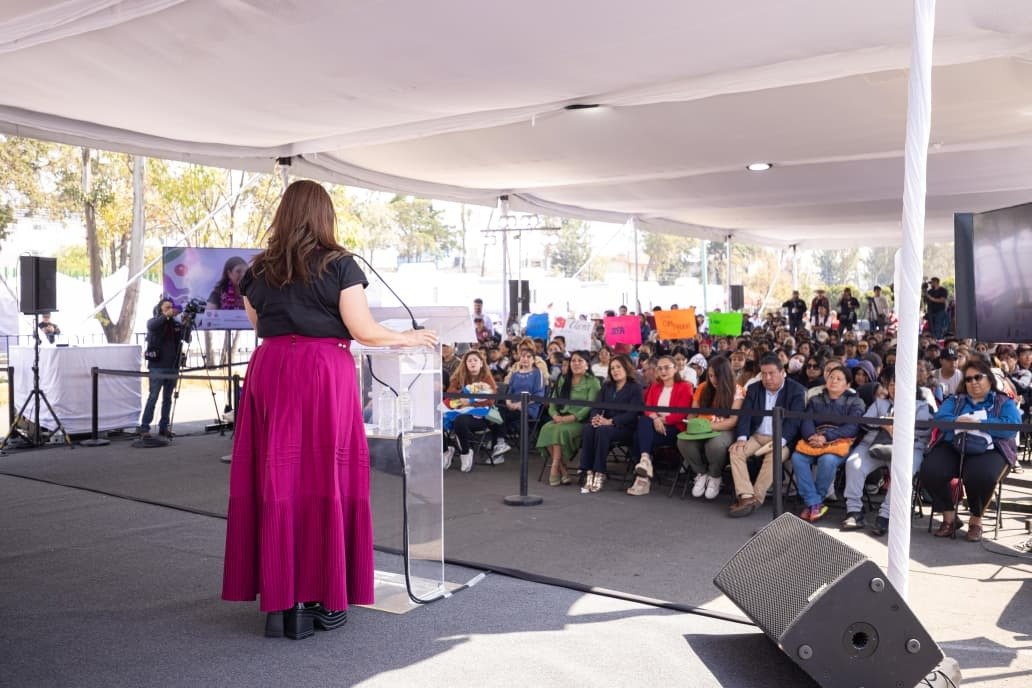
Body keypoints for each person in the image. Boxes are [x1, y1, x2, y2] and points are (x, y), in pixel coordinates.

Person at [222, 180, 436, 639]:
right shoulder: (340, 264)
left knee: (277, 477)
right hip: (322, 373)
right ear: (324, 215)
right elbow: (364, 330)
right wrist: (408, 337)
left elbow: (260, 324)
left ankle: (282, 599)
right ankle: (324, 598)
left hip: (272, 369)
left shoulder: (258, 271)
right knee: (325, 478)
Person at [919, 356, 1020, 542]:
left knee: (980, 475)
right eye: (968, 379)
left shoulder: (1003, 401)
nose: (973, 382)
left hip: (992, 449)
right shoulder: (956, 400)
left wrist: (979, 423)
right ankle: (949, 517)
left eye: (978, 377)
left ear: (989, 378)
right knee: (930, 470)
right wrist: (957, 421)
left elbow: (1011, 426)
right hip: (954, 445)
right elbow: (941, 419)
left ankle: (976, 520)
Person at [841, 371, 932, 536]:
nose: (895, 388)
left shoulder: (921, 406)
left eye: (900, 384)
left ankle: (885, 515)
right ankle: (854, 511)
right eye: (891, 384)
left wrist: (900, 428)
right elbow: (865, 423)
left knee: (902, 473)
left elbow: (925, 430)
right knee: (853, 464)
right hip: (874, 444)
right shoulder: (880, 404)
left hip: (908, 447)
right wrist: (883, 423)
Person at [728, 353, 806, 517]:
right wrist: (742, 438)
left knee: (775, 455)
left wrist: (781, 441)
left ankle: (756, 498)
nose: (767, 378)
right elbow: (745, 415)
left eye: (771, 373)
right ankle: (747, 496)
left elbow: (795, 421)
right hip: (757, 436)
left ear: (782, 372)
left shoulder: (796, 390)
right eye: (763, 374)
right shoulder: (754, 388)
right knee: (735, 451)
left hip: (782, 438)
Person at [789, 364, 866, 522]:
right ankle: (814, 503)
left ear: (848, 384)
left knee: (828, 459)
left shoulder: (855, 402)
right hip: (815, 440)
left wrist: (827, 437)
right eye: (831, 377)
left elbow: (852, 427)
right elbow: (807, 420)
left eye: (839, 379)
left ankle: (814, 503)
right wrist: (811, 435)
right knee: (798, 458)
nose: (834, 381)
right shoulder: (815, 400)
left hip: (840, 443)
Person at [626, 354, 694, 497]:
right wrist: (655, 419)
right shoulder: (655, 386)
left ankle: (643, 477)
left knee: (639, 434)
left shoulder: (685, 386)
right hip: (653, 428)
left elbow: (681, 414)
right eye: (660, 368)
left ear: (675, 369)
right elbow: (648, 407)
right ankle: (645, 462)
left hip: (674, 429)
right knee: (642, 427)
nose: (663, 371)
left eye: (667, 368)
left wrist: (659, 420)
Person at [677, 356, 744, 499]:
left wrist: (710, 426)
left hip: (724, 429)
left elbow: (732, 421)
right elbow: (693, 413)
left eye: (717, 376)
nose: (713, 379)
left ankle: (715, 476)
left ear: (725, 375)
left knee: (715, 445)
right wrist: (691, 425)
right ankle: (701, 473)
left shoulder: (737, 390)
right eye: (711, 375)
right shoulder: (702, 387)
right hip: (701, 428)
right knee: (683, 441)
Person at [536, 351, 601, 487]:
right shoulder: (563, 379)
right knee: (546, 428)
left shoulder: (592, 382)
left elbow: (590, 406)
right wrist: (554, 415)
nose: (576, 363)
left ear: (587, 365)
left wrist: (571, 418)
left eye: (580, 361)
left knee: (558, 430)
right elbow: (553, 401)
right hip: (561, 417)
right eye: (573, 361)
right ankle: (563, 470)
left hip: (579, 421)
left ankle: (555, 467)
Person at [579, 355, 642, 492]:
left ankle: (599, 472)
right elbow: (596, 406)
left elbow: (633, 414)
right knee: (589, 428)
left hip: (624, 427)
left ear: (626, 368)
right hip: (604, 424)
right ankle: (588, 471)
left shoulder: (635, 388)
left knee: (603, 430)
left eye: (618, 367)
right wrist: (595, 418)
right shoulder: (607, 386)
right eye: (612, 368)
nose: (615, 371)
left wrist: (611, 421)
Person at [138, 298, 188, 438]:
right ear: (160, 309)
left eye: (171, 307)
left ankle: (163, 427)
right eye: (167, 307)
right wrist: (166, 315)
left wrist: (186, 324)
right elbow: (152, 326)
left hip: (173, 366)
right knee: (153, 397)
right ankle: (144, 427)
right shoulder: (154, 322)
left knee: (168, 398)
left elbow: (187, 338)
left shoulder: (175, 324)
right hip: (158, 366)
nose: (170, 309)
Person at [443, 350, 500, 471]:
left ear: (481, 363)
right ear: (465, 364)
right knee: (438, 418)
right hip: (458, 409)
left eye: (475, 360)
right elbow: (450, 395)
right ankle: (446, 450)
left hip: (480, 416)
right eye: (469, 360)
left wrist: (470, 402)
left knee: (460, 420)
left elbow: (489, 401)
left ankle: (466, 452)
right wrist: (461, 398)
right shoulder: (458, 378)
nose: (472, 363)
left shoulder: (487, 379)